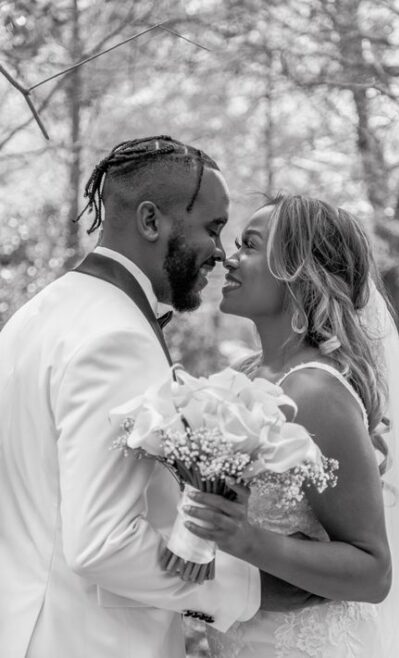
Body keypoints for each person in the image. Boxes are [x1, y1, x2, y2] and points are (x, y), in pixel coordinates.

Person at [0, 135, 264, 658]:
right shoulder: (115, 337)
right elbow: (102, 545)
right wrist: (250, 590)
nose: (219, 250)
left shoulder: (36, 315)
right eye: (213, 227)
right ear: (150, 221)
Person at [184, 194, 399, 657]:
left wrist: (246, 540)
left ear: (299, 271)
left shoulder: (316, 393)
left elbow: (374, 571)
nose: (229, 257)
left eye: (251, 245)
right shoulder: (244, 376)